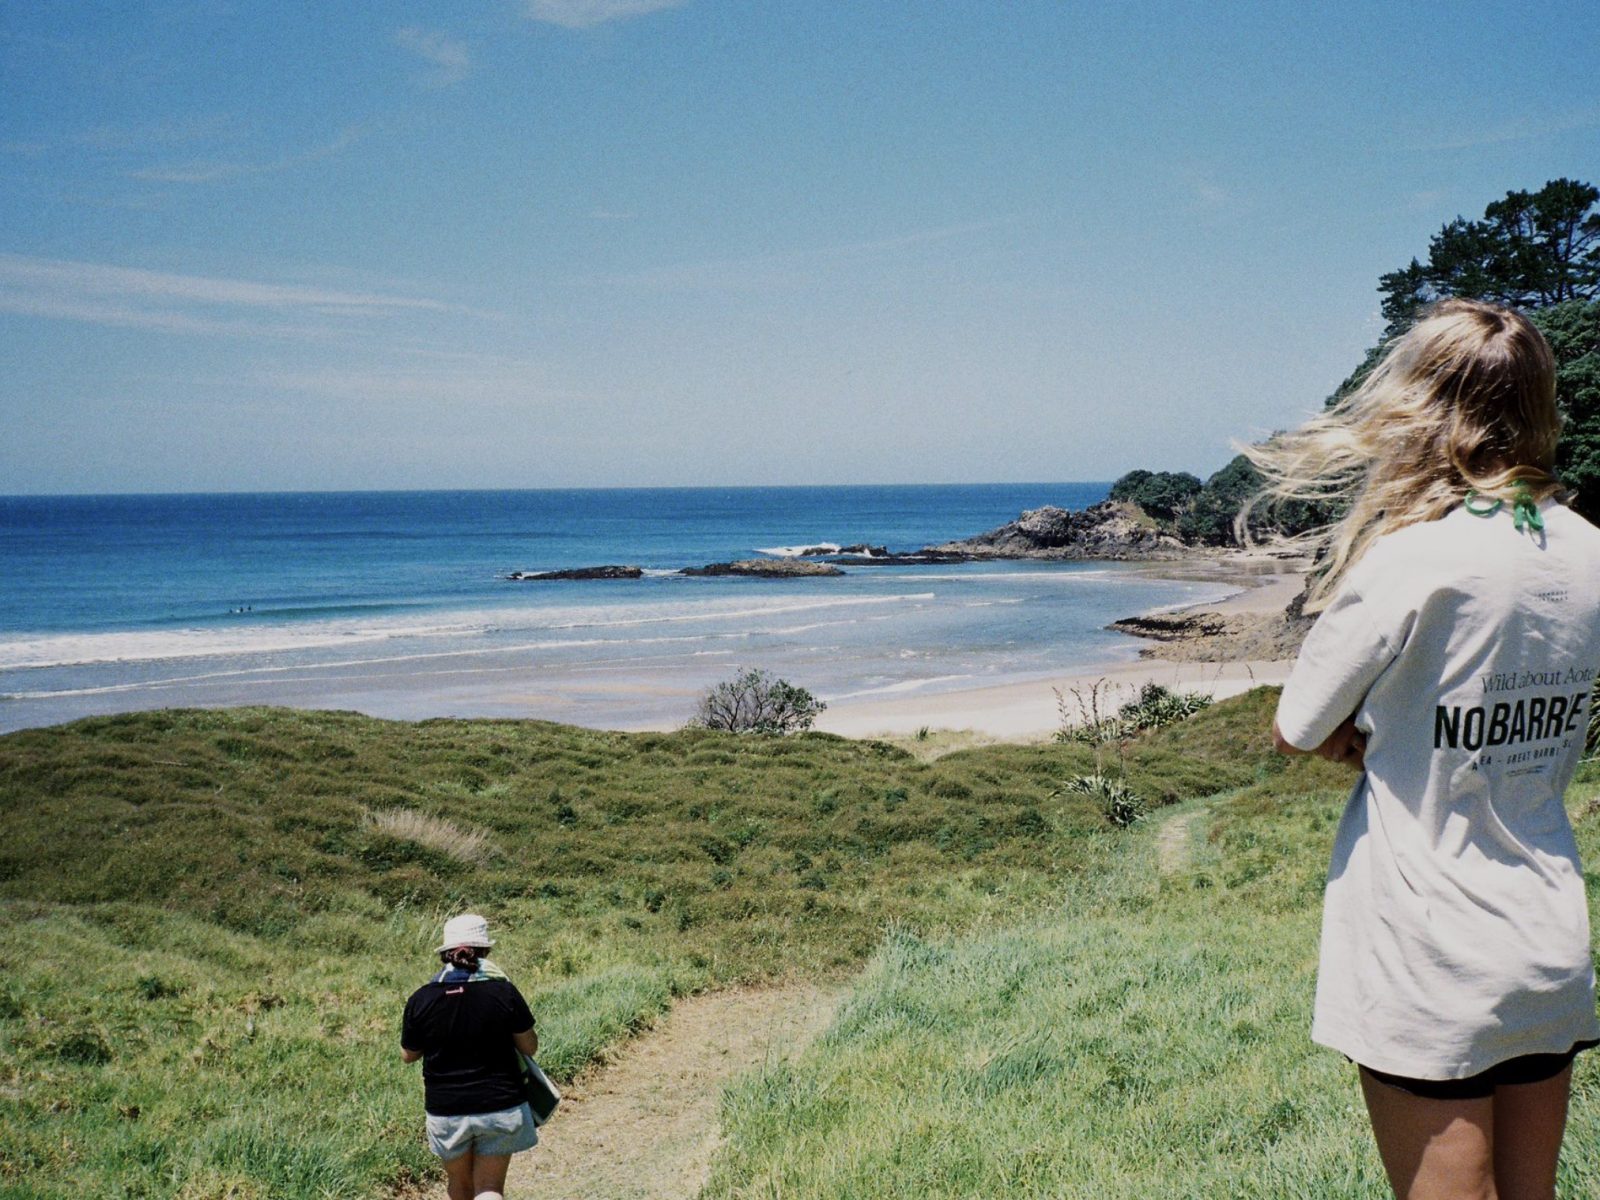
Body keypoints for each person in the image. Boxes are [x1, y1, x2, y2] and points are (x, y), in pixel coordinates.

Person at [1253, 297, 1600, 1200]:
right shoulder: (1590, 551)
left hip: (1428, 944)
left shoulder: (1411, 559)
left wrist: (1377, 737)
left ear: (1422, 405)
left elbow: (1297, 726)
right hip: (1546, 932)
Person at [402, 913, 539, 1200]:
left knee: (459, 1186)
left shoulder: (421, 998)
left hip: (446, 1109)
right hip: (501, 1105)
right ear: (484, 950)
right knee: (489, 1188)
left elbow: (408, 1055)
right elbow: (529, 1047)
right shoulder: (504, 991)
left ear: (446, 953)